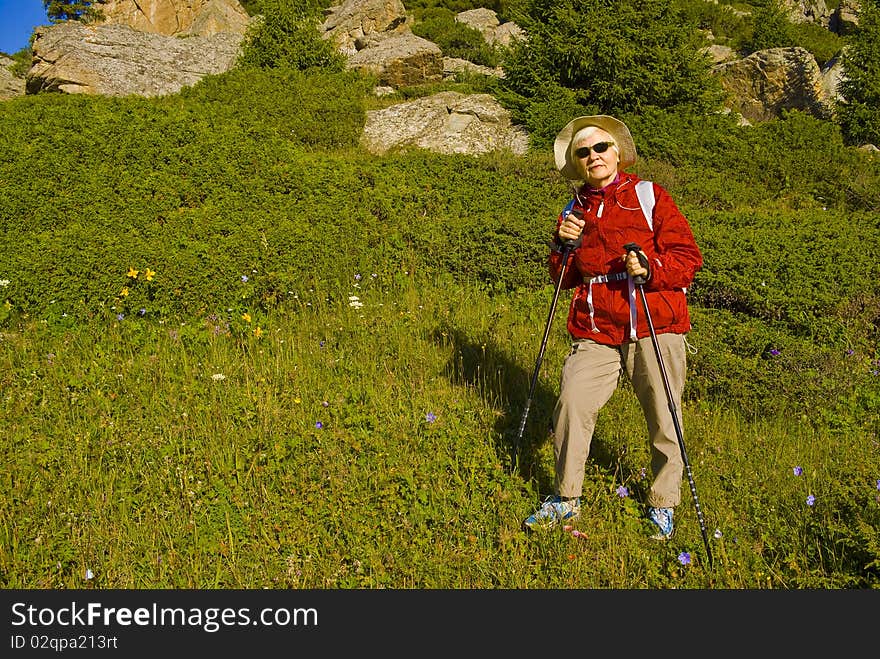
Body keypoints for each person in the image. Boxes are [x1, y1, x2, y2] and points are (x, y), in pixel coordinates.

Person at [522, 115, 703, 540]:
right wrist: (562, 246)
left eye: (600, 147)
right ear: (577, 163)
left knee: (664, 416)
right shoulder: (573, 210)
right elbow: (563, 278)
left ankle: (663, 503)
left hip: (654, 323)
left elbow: (687, 259)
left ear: (617, 152)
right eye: (583, 152)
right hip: (596, 327)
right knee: (572, 403)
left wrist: (651, 266)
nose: (593, 156)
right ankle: (566, 499)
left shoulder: (648, 195)